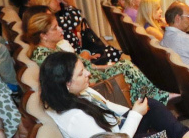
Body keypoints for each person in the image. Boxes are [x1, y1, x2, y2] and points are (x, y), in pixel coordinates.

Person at [39, 51, 189, 138]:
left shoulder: (78, 93)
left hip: (115, 129)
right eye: (81, 73)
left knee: (152, 106)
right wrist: (134, 115)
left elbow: (107, 106)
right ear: (67, 84)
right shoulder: (74, 118)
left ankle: (184, 135)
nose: (88, 73)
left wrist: (131, 111)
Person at [25, 11, 171, 105]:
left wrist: (106, 66)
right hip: (90, 84)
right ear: (43, 35)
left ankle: (153, 99)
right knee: (126, 68)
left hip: (91, 75)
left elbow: (84, 66)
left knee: (124, 63)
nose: (61, 30)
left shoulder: (52, 48)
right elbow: (69, 81)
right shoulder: (46, 56)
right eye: (55, 28)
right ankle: (157, 99)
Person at [27, 0, 122, 65]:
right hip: (78, 59)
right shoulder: (51, 22)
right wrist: (71, 3)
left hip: (78, 55)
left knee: (111, 51)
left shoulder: (55, 19)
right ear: (46, 2)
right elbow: (76, 19)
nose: (59, 1)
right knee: (113, 53)